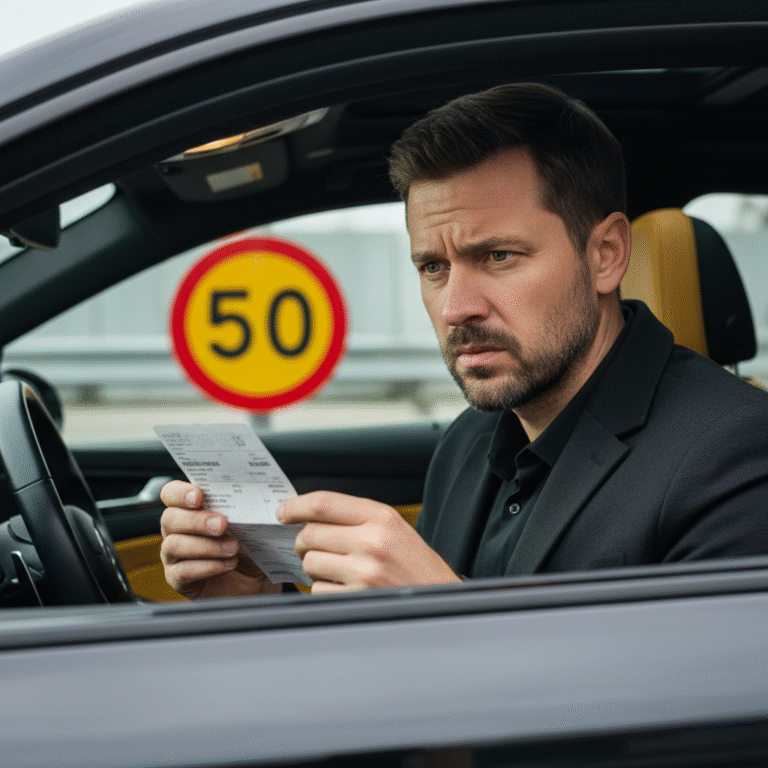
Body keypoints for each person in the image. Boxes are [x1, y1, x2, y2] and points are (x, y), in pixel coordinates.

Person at [160, 83, 768, 599]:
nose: (456, 308)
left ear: (606, 255)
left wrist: (438, 611)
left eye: (498, 256)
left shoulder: (736, 455)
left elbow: (709, 697)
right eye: (433, 267)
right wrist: (258, 601)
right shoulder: (469, 443)